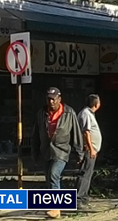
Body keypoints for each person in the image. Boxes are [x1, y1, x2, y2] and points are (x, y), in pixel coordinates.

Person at [31, 87, 83, 219]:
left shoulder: (69, 113)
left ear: (59, 99)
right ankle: (59, 202)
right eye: (49, 99)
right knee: (49, 178)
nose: (51, 102)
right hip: (46, 151)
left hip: (61, 151)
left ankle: (55, 208)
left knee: (54, 175)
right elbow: (36, 134)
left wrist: (79, 153)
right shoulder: (41, 113)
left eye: (53, 99)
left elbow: (76, 134)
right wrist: (35, 152)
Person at [76, 94, 102, 210]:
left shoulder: (89, 114)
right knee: (85, 173)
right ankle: (79, 199)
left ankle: (84, 197)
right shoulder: (86, 114)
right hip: (88, 149)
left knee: (88, 173)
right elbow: (86, 132)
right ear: (96, 104)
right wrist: (91, 148)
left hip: (92, 148)